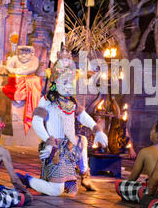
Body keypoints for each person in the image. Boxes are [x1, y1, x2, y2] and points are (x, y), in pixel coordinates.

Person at [20, 47, 108, 196]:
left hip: (69, 147)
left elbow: (83, 116)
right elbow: (36, 122)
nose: (69, 86)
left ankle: (85, 176)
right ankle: (26, 180)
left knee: (83, 140)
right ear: (56, 82)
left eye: (70, 83)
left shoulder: (71, 101)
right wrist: (48, 141)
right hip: (54, 148)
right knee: (56, 191)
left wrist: (97, 130)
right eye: (65, 82)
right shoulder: (48, 100)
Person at [115, 119, 158, 203]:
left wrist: (126, 183)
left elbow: (133, 178)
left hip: (154, 193)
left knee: (120, 185)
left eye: (152, 130)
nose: (150, 132)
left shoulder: (145, 152)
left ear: (157, 134)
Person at [2, 45, 44, 134]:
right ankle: (16, 125)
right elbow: (8, 67)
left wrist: (22, 71)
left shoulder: (34, 60)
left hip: (30, 84)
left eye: (26, 53)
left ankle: (26, 125)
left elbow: (32, 69)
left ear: (31, 54)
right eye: (21, 53)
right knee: (16, 108)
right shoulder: (14, 59)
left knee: (23, 107)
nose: (23, 55)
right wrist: (16, 71)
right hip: (16, 84)